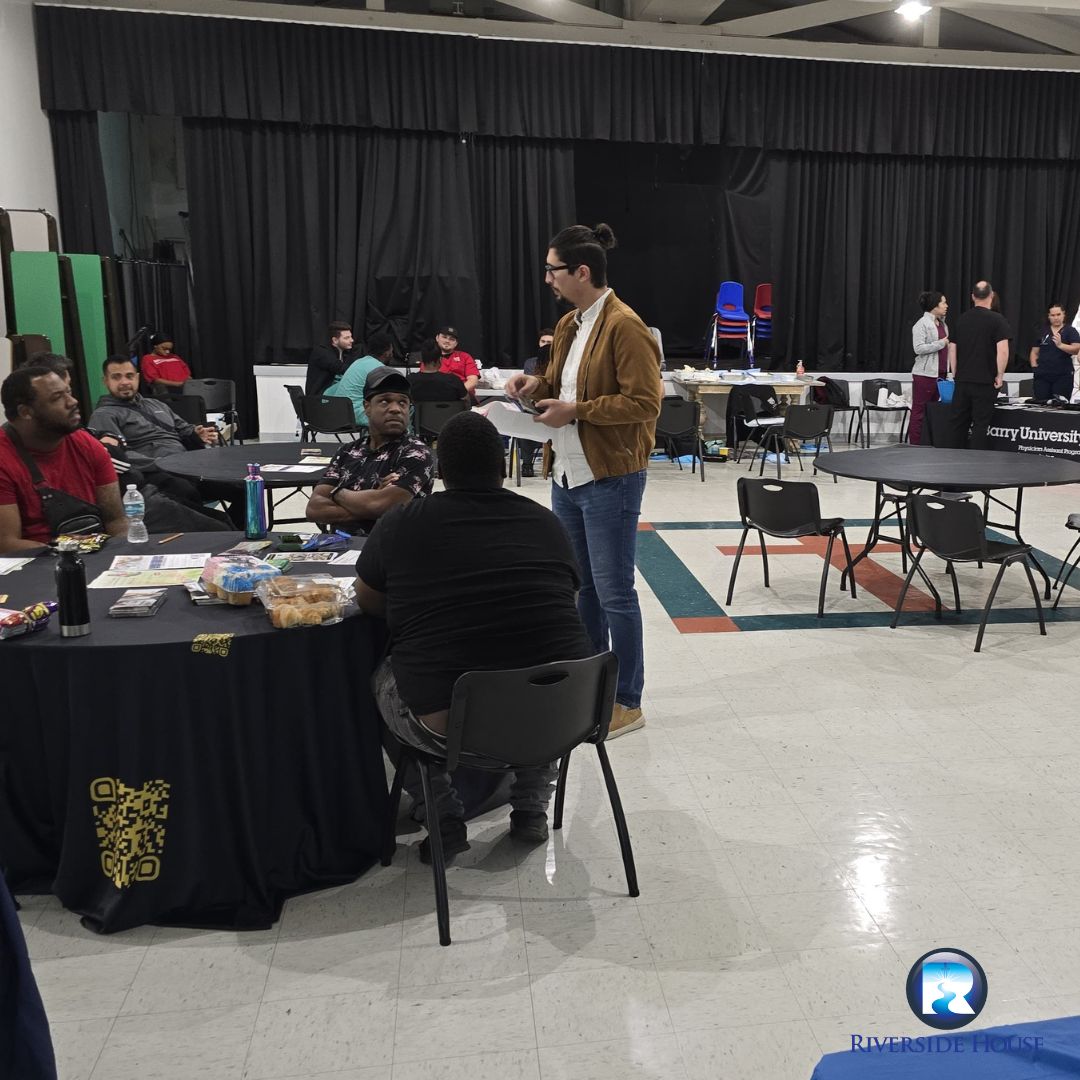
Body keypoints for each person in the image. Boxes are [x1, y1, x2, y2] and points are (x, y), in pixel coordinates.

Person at [356, 411, 594, 860]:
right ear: (502, 467)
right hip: (567, 711)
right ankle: (531, 808)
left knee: (379, 682)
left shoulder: (402, 522)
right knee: (540, 672)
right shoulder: (546, 522)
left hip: (452, 720)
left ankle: (442, 814)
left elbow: (368, 601)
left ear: (439, 471)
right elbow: (570, 598)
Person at [505, 223, 662, 739]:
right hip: (568, 472)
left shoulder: (626, 326)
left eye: (553, 269)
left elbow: (645, 404)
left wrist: (577, 411)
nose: (547, 278)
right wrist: (534, 384)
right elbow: (560, 382)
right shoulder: (570, 323)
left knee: (615, 592)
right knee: (583, 588)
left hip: (610, 474)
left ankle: (627, 700)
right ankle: (592, 687)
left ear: (582, 272)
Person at [0, 365, 126, 550]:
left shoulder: (87, 445)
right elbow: (6, 545)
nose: (72, 401)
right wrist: (71, 555)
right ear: (25, 412)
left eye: (69, 392)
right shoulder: (4, 458)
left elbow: (116, 520)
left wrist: (125, 558)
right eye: (57, 397)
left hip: (96, 553)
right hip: (35, 562)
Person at [306, 367, 434, 535]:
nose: (396, 409)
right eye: (385, 401)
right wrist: (370, 505)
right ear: (367, 407)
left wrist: (337, 493)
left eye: (403, 402)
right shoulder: (347, 451)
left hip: (390, 547)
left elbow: (382, 506)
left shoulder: (416, 453)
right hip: (339, 546)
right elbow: (314, 509)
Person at [88, 357, 219, 464]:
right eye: (116, 377)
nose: (124, 382)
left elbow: (183, 429)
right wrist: (159, 463)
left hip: (185, 459)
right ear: (105, 381)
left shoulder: (156, 404)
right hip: (155, 471)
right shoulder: (103, 414)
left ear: (137, 378)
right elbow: (118, 455)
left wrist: (197, 434)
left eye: (129, 376)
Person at [948, 280, 1012, 450]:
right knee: (980, 424)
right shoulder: (998, 320)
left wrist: (955, 373)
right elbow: (1003, 350)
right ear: (991, 295)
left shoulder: (962, 319)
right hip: (985, 381)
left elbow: (952, 348)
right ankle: (976, 462)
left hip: (963, 380)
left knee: (958, 423)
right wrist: (1000, 375)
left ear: (972, 296)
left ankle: (951, 459)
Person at [322, 332, 395, 424]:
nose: (392, 353)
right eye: (392, 350)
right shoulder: (380, 369)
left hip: (338, 413)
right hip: (354, 415)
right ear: (387, 352)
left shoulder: (358, 362)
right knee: (395, 416)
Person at [908, 291, 949, 446]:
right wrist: (941, 343)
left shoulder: (943, 324)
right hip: (925, 375)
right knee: (919, 411)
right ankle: (915, 444)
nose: (946, 306)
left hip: (941, 373)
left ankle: (929, 441)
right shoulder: (922, 324)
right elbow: (918, 348)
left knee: (934, 411)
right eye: (943, 302)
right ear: (934, 305)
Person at [518, 330, 555, 476]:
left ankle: (552, 461)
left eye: (549, 342)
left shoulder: (561, 361)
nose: (545, 345)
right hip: (535, 405)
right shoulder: (531, 362)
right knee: (525, 422)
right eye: (543, 341)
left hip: (556, 405)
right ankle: (527, 464)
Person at [1029, 303, 1080, 401]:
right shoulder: (1042, 331)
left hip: (1063, 375)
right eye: (1053, 315)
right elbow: (1034, 352)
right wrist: (1035, 367)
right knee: (1041, 403)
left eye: (1058, 314)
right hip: (1042, 375)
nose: (1056, 318)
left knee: (1060, 404)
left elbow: (1076, 349)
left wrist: (1061, 345)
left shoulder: (1070, 331)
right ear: (1048, 316)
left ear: (1063, 314)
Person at [305, 321, 358, 396]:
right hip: (319, 396)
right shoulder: (321, 352)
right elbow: (341, 368)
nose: (352, 340)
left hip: (333, 394)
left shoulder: (345, 352)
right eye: (347, 338)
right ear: (335, 340)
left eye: (351, 337)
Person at [407, 339, 468, 403]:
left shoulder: (409, 381)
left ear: (422, 359)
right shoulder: (454, 381)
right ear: (440, 359)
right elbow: (466, 403)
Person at [434, 326, 479, 393]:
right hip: (437, 395)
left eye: (452, 339)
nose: (447, 341)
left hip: (461, 395)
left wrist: (456, 393)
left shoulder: (465, 357)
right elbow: (425, 379)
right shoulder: (430, 357)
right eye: (444, 337)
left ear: (456, 343)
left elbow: (473, 381)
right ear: (437, 338)